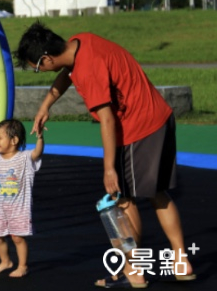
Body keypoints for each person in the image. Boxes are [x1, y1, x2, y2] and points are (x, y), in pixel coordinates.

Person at [14, 21, 195, 288]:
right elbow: (67, 73)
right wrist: (46, 105)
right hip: (159, 117)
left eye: (38, 67)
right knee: (158, 193)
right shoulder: (79, 42)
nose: (40, 71)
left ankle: (133, 272)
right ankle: (182, 263)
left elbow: (107, 120)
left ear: (46, 58)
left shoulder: (88, 70)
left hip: (139, 128)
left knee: (121, 198)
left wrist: (109, 168)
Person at [0, 119, 44, 278]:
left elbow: (37, 153)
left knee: (17, 237)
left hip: (19, 207)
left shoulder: (24, 158)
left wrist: (40, 138)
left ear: (14, 140)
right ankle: (5, 261)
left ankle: (22, 266)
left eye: (0, 138)